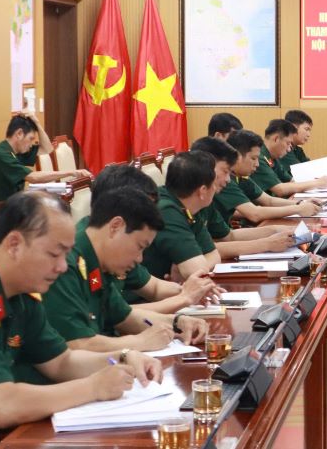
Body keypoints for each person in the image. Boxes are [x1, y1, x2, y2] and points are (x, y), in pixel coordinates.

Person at [0, 192, 161, 448]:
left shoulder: (20, 292)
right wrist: (93, 387)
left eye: (66, 254)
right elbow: (3, 406)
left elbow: (60, 362)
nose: (63, 266)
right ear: (14, 245)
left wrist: (123, 357)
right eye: (54, 254)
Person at [42, 186, 209, 353]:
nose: (139, 259)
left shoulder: (99, 257)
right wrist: (138, 342)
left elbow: (124, 317)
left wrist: (176, 322)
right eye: (139, 246)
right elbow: (76, 344)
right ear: (116, 226)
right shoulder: (64, 264)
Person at [90, 165, 222, 311]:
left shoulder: (119, 247)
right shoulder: (79, 259)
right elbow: (118, 316)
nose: (139, 258)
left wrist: (191, 291)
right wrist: (183, 298)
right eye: (146, 210)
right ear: (116, 224)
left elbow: (154, 288)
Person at [190, 136, 295, 257]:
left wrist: (276, 230)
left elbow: (228, 236)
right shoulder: (178, 206)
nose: (228, 179)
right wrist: (267, 244)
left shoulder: (205, 201)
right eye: (225, 171)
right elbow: (204, 251)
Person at [140, 151, 223, 279]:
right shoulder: (166, 211)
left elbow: (214, 255)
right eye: (214, 183)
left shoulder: (189, 207)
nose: (215, 189)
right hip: (142, 291)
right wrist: (195, 268)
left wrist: (191, 268)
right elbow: (196, 270)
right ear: (202, 191)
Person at [0, 113, 91, 206]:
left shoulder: (17, 151)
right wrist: (72, 172)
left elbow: (47, 149)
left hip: (13, 205)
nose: (31, 144)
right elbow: (33, 177)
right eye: (31, 138)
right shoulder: (2, 154)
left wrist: (36, 122)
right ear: (19, 134)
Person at [218, 130, 323, 225]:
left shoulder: (241, 176)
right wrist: (297, 209)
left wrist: (300, 203)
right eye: (253, 158)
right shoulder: (225, 180)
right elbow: (254, 214)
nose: (257, 164)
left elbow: (268, 200)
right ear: (237, 157)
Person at [249, 119, 327, 197]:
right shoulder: (259, 158)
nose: (289, 149)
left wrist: (318, 182)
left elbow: (291, 180)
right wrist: (316, 183)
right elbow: (280, 189)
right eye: (288, 143)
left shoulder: (272, 156)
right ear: (276, 139)